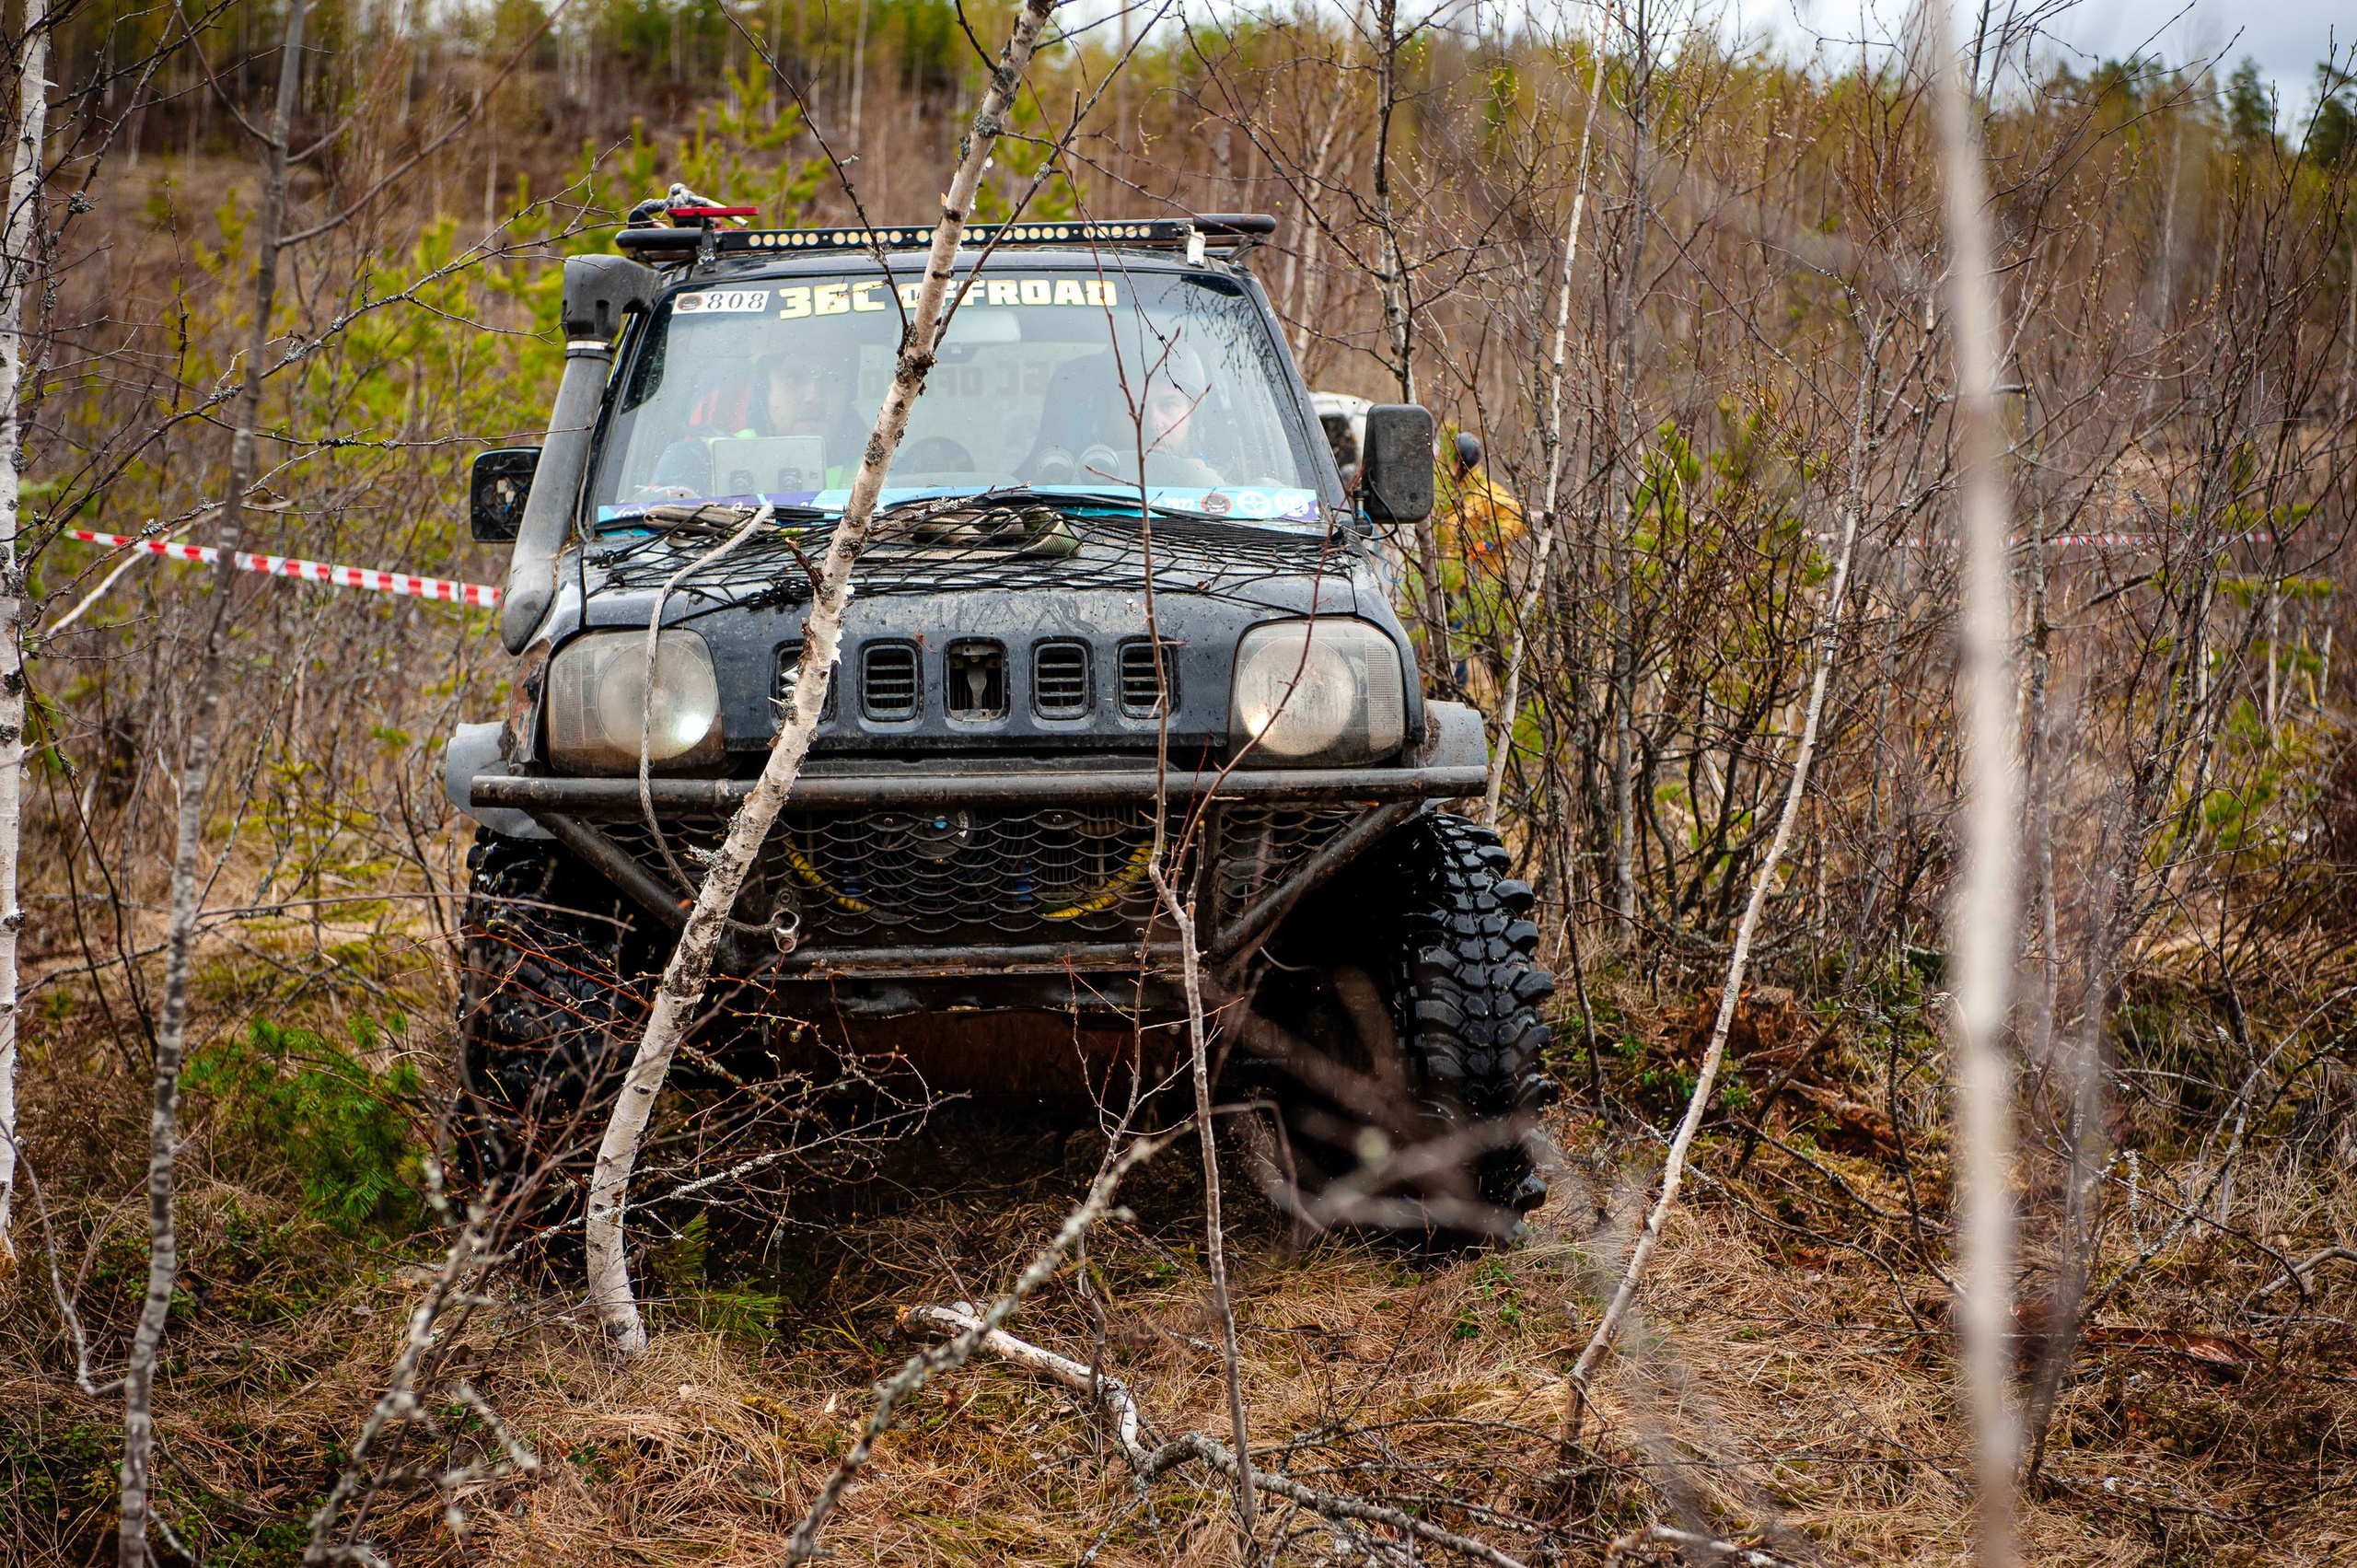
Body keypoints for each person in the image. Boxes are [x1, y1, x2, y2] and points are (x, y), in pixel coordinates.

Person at [640, 347, 865, 499]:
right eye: (795, 377)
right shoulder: (697, 462)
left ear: (850, 391)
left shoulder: (889, 465)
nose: (813, 396)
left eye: (832, 377)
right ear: (763, 388)